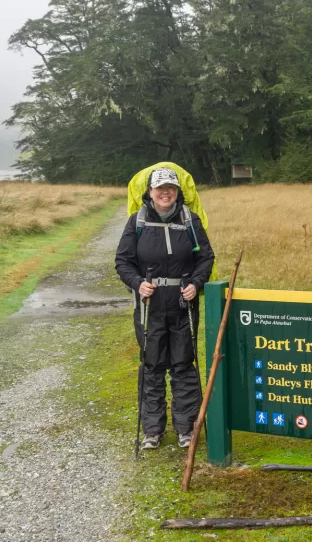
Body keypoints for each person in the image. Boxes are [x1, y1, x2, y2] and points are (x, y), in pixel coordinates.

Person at [115, 167, 215, 450]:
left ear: (177, 191)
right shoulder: (138, 222)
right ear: (150, 192)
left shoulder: (190, 220)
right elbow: (123, 261)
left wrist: (196, 283)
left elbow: (206, 258)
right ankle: (152, 430)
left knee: (184, 364)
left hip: (184, 303)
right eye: (160, 188)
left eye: (170, 187)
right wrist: (137, 283)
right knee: (152, 365)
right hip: (151, 306)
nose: (165, 192)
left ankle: (186, 428)